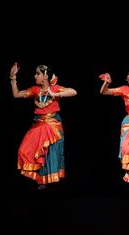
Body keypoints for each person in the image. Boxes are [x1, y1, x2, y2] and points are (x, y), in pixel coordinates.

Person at [10, 62, 77, 190]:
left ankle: (44, 181)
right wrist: (13, 78)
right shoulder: (35, 90)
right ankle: (40, 180)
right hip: (39, 124)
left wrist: (55, 94)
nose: (35, 76)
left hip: (51, 125)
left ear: (45, 77)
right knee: (24, 150)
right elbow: (16, 94)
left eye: (37, 74)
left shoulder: (55, 88)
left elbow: (73, 91)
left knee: (47, 154)